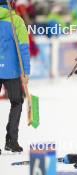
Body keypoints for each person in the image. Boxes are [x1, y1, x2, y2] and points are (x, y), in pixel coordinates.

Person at [0, 0, 30, 153]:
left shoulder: (16, 20)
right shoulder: (16, 20)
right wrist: (26, 72)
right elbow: (24, 48)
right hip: (11, 71)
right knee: (16, 102)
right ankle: (12, 140)